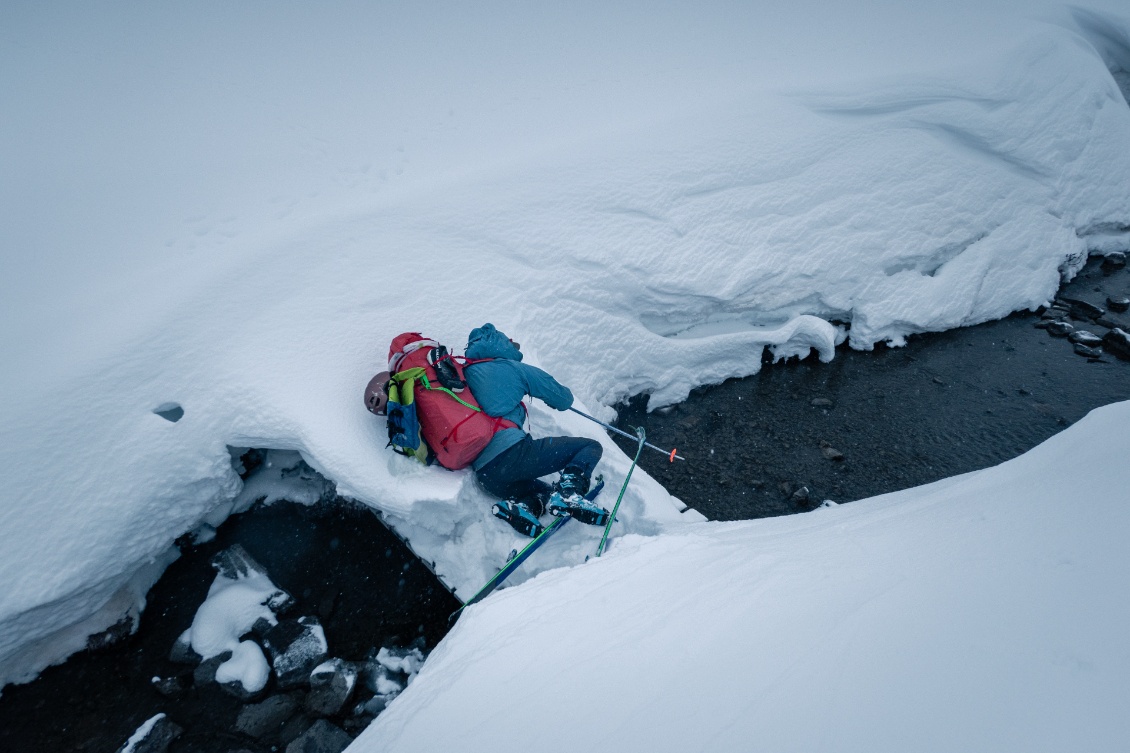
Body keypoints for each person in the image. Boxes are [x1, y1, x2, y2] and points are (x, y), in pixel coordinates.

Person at [463, 323, 607, 537]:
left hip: (487, 474)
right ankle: (569, 491)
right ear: (499, 344)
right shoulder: (510, 367)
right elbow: (563, 398)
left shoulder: (462, 375)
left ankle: (523, 508)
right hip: (513, 455)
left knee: (544, 493)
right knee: (589, 447)